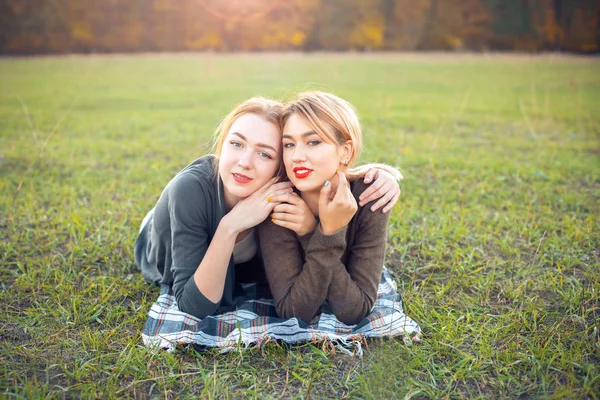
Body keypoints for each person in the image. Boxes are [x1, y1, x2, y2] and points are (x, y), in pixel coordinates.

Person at [135, 96, 401, 319]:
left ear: (279, 166)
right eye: (236, 144)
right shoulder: (193, 192)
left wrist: (382, 174)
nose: (245, 162)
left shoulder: (289, 191)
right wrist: (230, 225)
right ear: (222, 145)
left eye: (265, 153)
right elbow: (195, 306)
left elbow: (349, 303)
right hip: (162, 236)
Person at [258, 91, 398, 325]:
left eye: (313, 142)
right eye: (289, 144)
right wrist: (321, 234)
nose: (297, 157)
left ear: (345, 151)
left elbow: (355, 309)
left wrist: (314, 232)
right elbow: (294, 311)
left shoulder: (369, 198)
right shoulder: (279, 203)